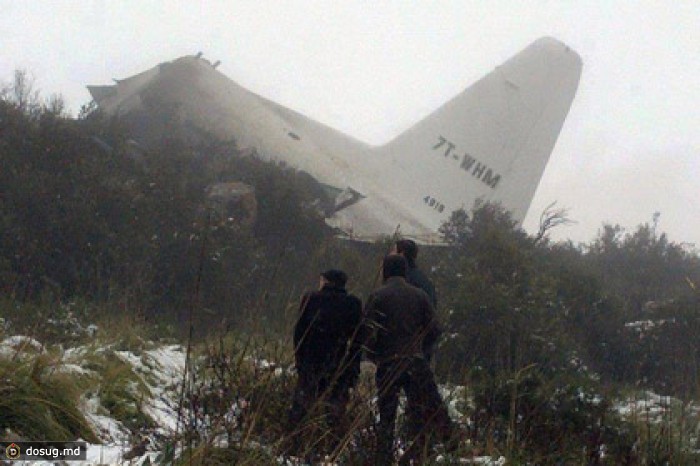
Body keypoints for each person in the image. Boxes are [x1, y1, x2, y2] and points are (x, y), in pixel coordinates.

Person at [362, 255, 455, 465]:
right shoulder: (419, 295)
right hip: (415, 362)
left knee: (387, 415)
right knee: (420, 411)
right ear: (404, 271)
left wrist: (374, 355)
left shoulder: (378, 296)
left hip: (388, 363)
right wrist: (422, 349)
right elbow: (435, 329)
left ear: (385, 271)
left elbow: (367, 332)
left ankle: (383, 457)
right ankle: (420, 454)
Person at [287, 269, 363, 456]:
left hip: (311, 363)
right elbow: (358, 340)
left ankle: (295, 448)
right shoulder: (353, 304)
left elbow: (299, 334)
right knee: (335, 410)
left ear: (325, 281)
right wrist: (352, 369)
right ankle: (333, 449)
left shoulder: (310, 299)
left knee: (301, 408)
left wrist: (300, 361)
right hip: (339, 364)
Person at [394, 239, 437, 308]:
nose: (389, 255)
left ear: (401, 254)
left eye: (393, 251)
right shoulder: (424, 280)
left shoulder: (403, 280)